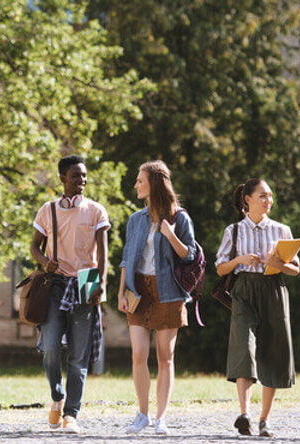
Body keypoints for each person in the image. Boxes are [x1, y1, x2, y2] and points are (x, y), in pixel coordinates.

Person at [29, 155, 110, 434]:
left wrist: (101, 283)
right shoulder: (47, 210)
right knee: (50, 348)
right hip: (55, 282)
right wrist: (44, 261)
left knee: (79, 354)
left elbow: (104, 252)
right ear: (63, 178)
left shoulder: (97, 211)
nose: (82, 181)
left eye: (85, 176)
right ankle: (57, 397)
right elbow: (34, 247)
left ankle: (72, 414)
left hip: (87, 280)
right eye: (76, 176)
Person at [117, 160, 198, 435]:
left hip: (168, 291)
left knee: (166, 356)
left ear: (154, 183)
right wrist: (121, 292)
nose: (136, 185)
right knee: (139, 353)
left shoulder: (180, 217)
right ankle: (142, 413)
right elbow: (127, 258)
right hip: (138, 289)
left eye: (140, 180)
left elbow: (190, 254)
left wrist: (171, 235)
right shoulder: (135, 219)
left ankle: (160, 417)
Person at [214, 178, 299, 437]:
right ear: (247, 199)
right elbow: (219, 268)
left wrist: (278, 262)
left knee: (273, 352)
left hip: (274, 290)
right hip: (244, 291)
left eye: (270, 196)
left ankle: (264, 419)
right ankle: (244, 414)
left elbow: (296, 269)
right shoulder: (234, 231)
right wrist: (239, 259)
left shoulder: (282, 230)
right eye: (263, 196)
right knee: (244, 347)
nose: (269, 201)